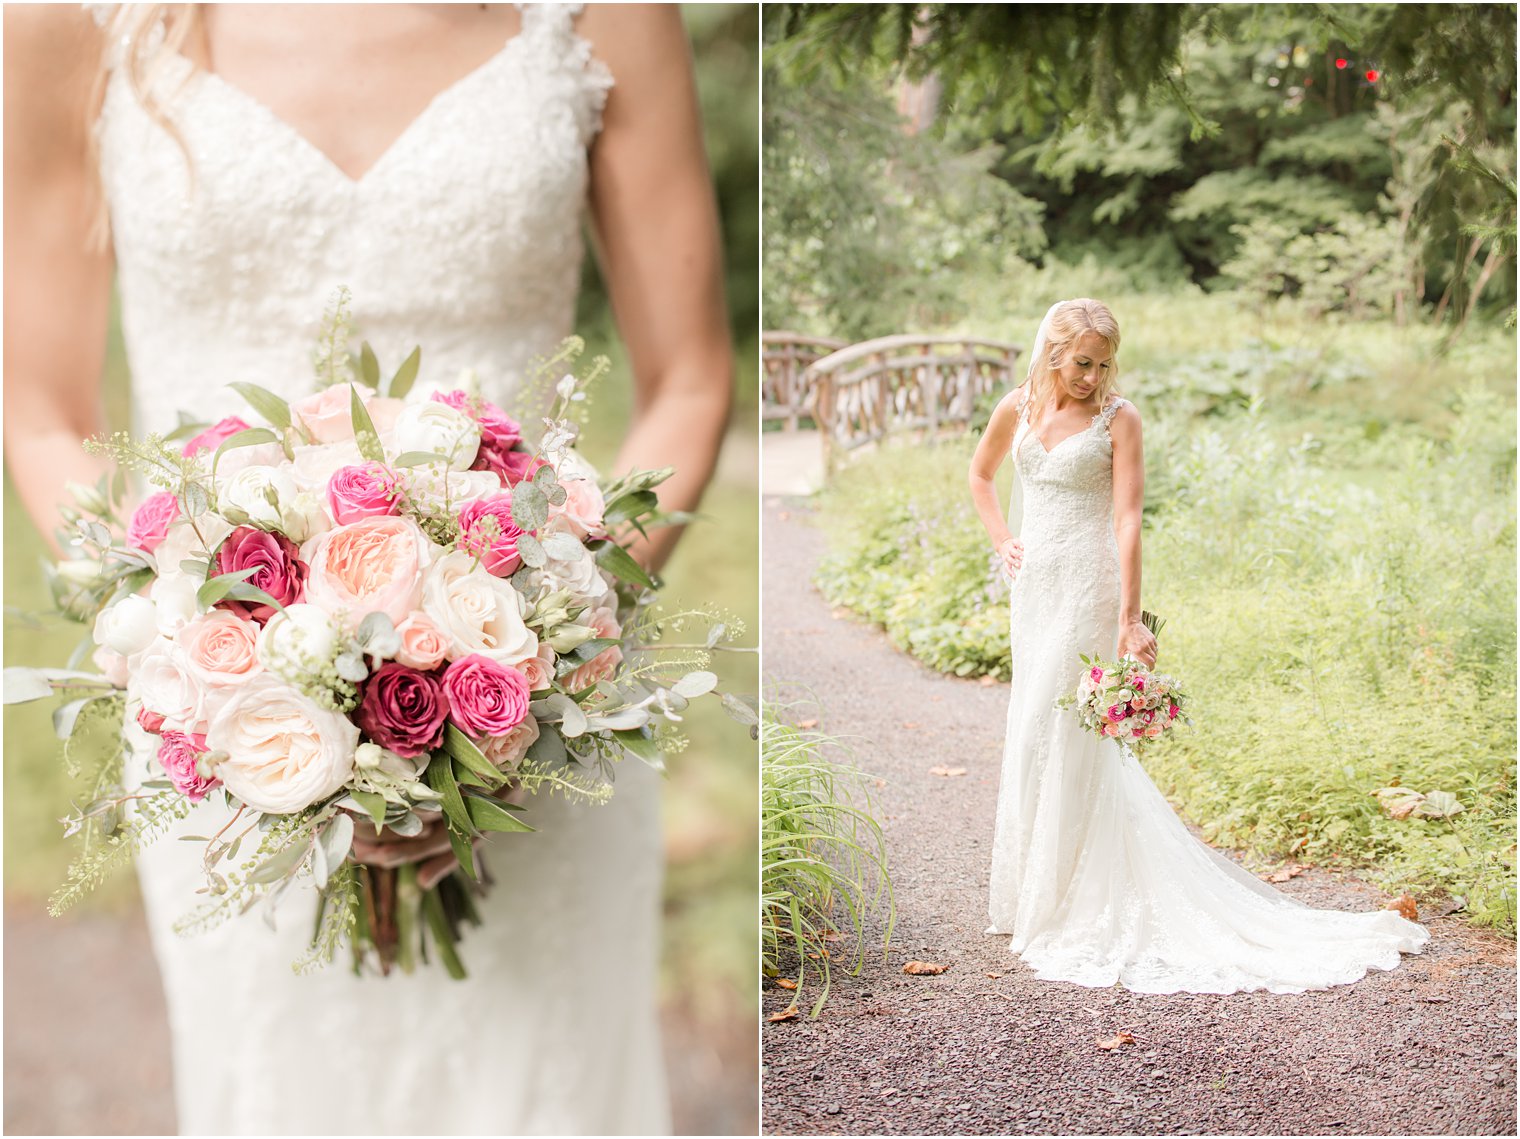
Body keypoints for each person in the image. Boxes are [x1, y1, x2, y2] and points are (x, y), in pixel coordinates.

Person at [4, 3, 733, 1132]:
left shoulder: (605, 15)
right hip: (228, 718)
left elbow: (687, 377)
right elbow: (42, 408)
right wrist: (193, 654)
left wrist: (538, 655)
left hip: (531, 693)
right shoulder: (73, 19)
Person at [967, 297, 1427, 995]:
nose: (1092, 376)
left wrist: (1129, 617)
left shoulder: (1120, 420)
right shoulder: (1018, 407)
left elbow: (1126, 518)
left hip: (1090, 585)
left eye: (1102, 363)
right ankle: (1039, 890)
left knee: (1070, 729)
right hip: (1035, 591)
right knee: (1032, 727)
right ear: (1054, 355)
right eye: (1081, 362)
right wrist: (1005, 540)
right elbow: (980, 475)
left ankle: (1077, 897)